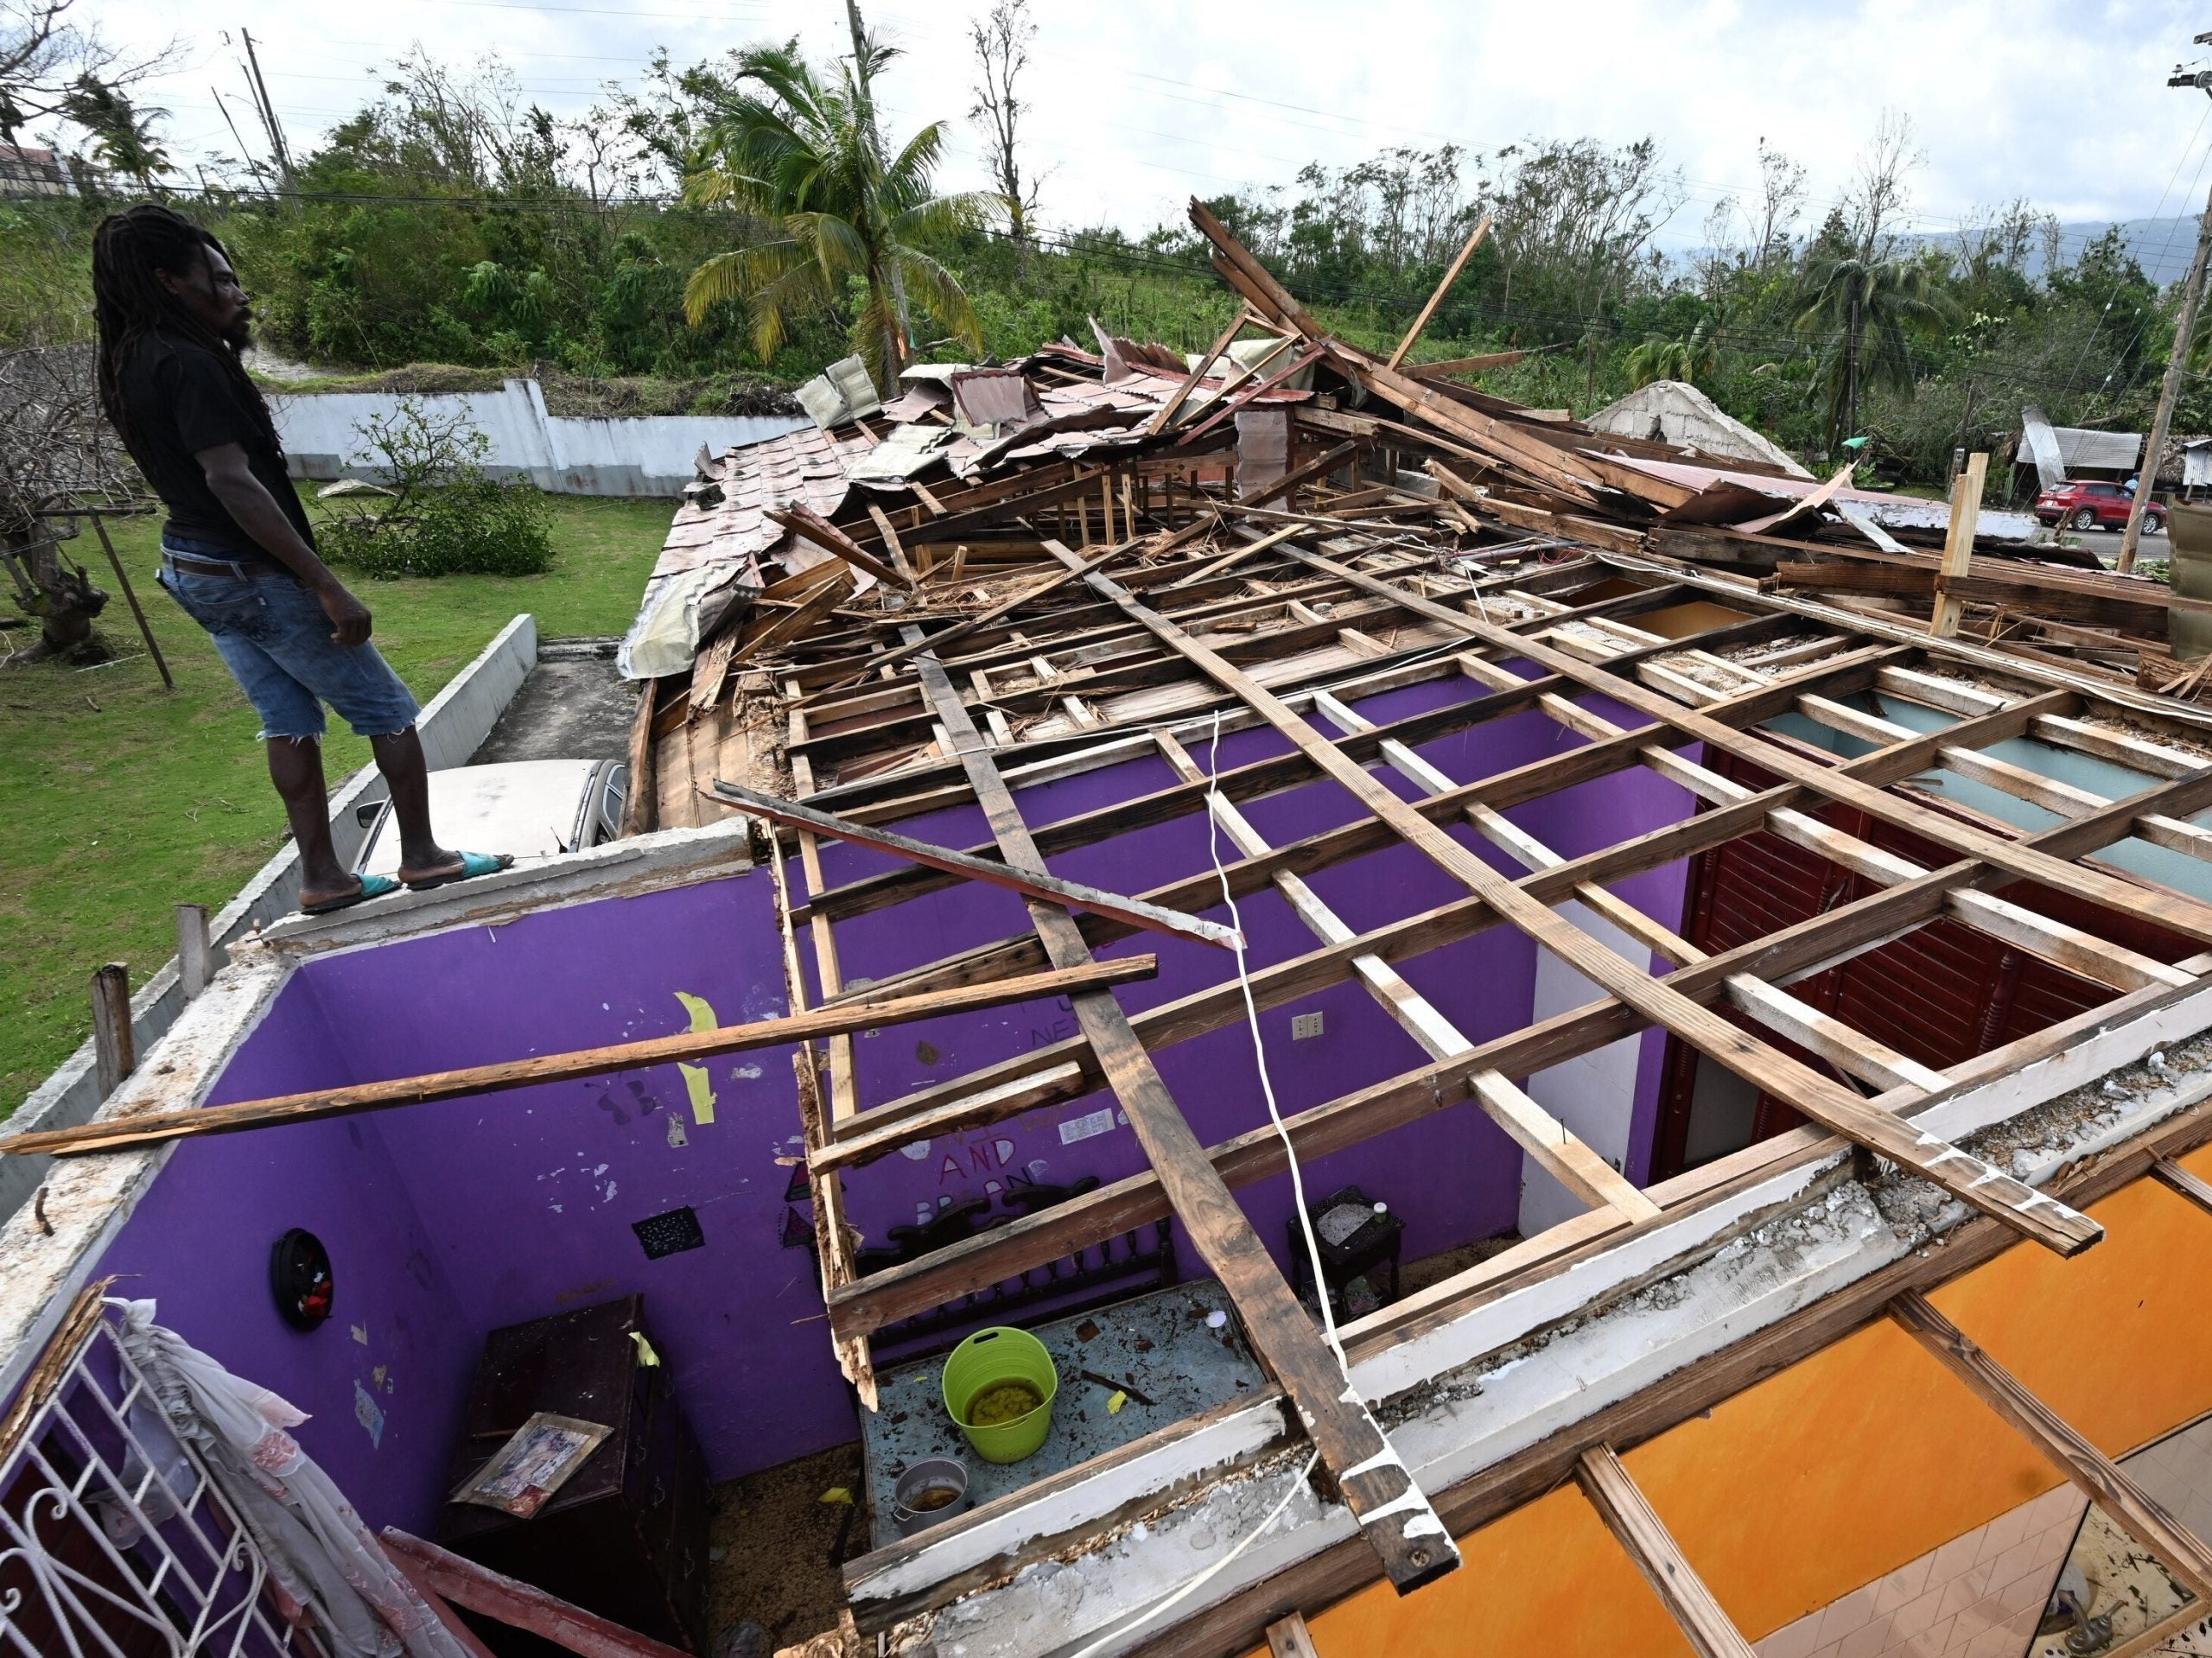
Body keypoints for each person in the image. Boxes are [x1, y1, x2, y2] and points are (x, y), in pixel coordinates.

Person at [92, 204, 508, 914]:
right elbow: (230, 479)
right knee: (389, 711)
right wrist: (326, 585)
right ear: (169, 282)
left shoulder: (128, 361)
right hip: (248, 572)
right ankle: (424, 857)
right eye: (219, 279)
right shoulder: (190, 363)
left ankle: (325, 877)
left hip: (193, 568)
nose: (236, 292)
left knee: (286, 719)